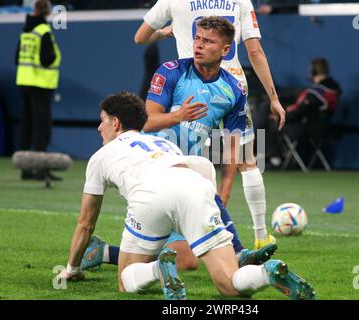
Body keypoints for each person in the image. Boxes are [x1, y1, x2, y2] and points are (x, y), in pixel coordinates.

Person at [56, 91, 316, 300]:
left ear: (116, 123)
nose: (99, 127)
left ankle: (158, 268)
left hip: (150, 195)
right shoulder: (164, 143)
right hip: (195, 186)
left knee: (126, 280)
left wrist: (72, 269)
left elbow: (86, 223)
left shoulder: (100, 157)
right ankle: (264, 274)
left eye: (102, 120)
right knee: (229, 285)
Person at [82, 16, 277, 272]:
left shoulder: (233, 90)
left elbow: (234, 145)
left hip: (189, 173)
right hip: (153, 173)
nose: (198, 45)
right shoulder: (171, 72)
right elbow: (145, 122)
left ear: (225, 50)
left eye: (208, 41)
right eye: (197, 38)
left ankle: (105, 252)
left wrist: (226, 188)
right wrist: (178, 116)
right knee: (186, 250)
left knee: (187, 261)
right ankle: (239, 254)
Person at [134, 0, 286, 250]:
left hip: (188, 86)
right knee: (245, 161)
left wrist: (163, 32)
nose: (200, 42)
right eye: (199, 38)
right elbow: (255, 52)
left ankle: (210, 237)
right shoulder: (240, 1)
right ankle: (259, 235)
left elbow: (140, 37)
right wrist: (273, 98)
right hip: (232, 85)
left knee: (181, 157)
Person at [15, 0, 62, 181]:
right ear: (48, 11)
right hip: (41, 84)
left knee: (26, 125)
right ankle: (41, 170)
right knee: (41, 128)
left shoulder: (25, 30)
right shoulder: (43, 30)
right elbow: (47, 58)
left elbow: (16, 57)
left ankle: (25, 169)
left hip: (24, 81)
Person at [283, 58, 341, 148]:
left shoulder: (316, 93)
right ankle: (273, 157)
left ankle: (264, 160)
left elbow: (299, 112)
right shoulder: (333, 90)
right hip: (323, 128)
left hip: (310, 130)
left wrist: (281, 117)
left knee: (264, 128)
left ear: (313, 72)